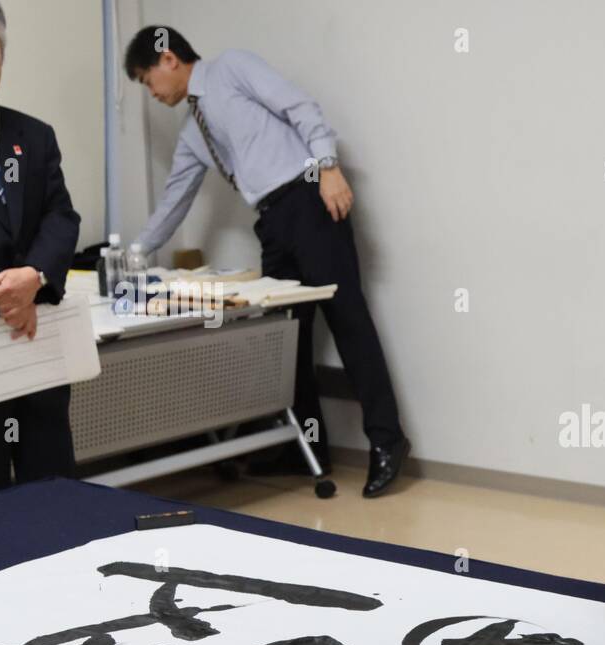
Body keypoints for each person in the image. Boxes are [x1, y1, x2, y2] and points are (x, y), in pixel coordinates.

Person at [124, 26, 409, 497]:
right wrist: (133, 253)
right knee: (285, 337)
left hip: (309, 199)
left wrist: (329, 167)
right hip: (272, 222)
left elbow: (298, 106)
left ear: (168, 58)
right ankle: (305, 450)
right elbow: (174, 201)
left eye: (146, 78)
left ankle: (387, 440)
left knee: (349, 320)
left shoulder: (231, 68)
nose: (150, 93)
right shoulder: (193, 131)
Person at [0, 0, 81, 500]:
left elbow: (61, 216)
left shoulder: (33, 136)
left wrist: (33, 276)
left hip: (36, 341)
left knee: (51, 483)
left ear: (2, 56)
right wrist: (7, 294)